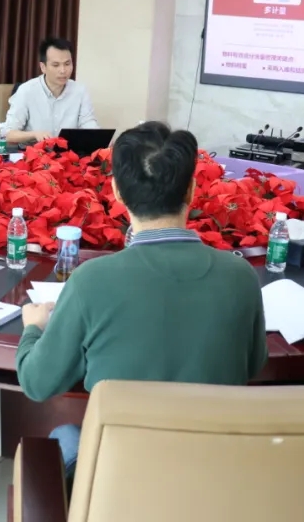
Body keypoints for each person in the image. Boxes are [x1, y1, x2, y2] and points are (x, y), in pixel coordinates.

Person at [15, 122, 267, 478]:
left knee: (64, 436)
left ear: (116, 191)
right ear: (192, 189)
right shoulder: (241, 276)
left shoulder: (91, 281)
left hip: (120, 480)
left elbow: (38, 383)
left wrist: (33, 329)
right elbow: (253, 364)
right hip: (214, 475)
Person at [5, 38, 98, 146]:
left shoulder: (80, 91)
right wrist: (34, 134)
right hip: (34, 153)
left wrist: (99, 137)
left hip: (69, 153)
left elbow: (88, 123)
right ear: (43, 67)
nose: (63, 70)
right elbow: (8, 134)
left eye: (67, 64)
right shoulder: (26, 91)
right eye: (56, 65)